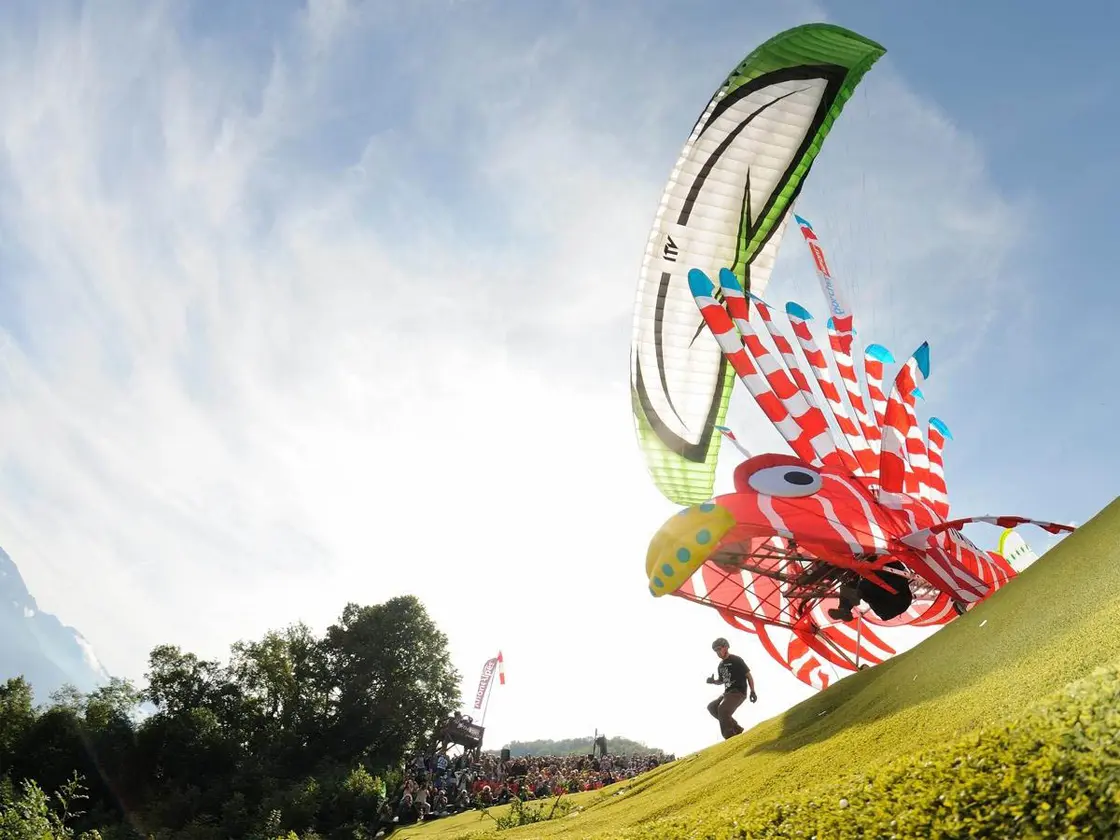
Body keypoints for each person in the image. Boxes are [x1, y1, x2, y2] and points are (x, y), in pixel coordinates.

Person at [827, 560, 913, 622]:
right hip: (892, 600)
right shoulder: (890, 563)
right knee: (856, 585)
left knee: (855, 585)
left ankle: (844, 608)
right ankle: (844, 609)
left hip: (892, 599)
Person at [705, 637, 756, 739]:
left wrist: (752, 691)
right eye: (716, 651)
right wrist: (713, 681)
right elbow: (722, 680)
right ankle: (736, 728)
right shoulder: (720, 665)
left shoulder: (736, 660)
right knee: (712, 707)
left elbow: (748, 675)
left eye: (719, 649)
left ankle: (730, 737)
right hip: (727, 693)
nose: (718, 652)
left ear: (726, 647)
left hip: (738, 692)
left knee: (723, 709)